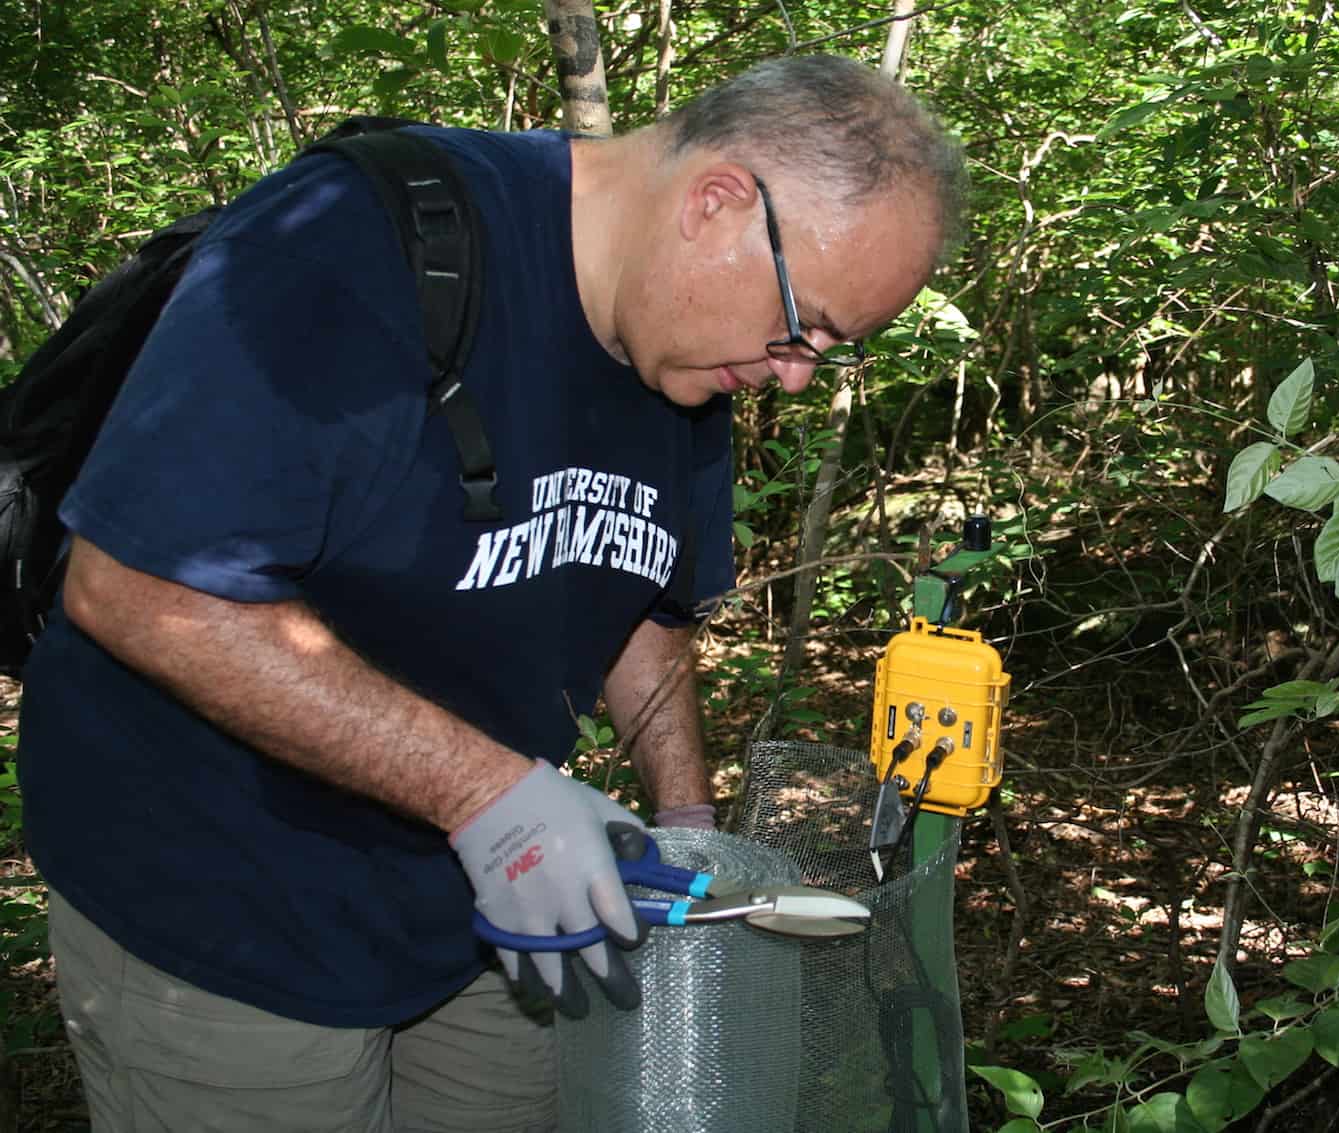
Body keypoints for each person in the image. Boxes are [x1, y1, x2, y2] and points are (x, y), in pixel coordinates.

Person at [19, 53, 964, 1132]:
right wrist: (491, 794)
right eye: (807, 326)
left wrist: (687, 817)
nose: (796, 372)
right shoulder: (357, 242)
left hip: (492, 902)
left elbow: (642, 591)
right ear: (717, 203)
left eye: (832, 353)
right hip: (227, 894)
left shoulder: (687, 355)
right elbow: (139, 586)